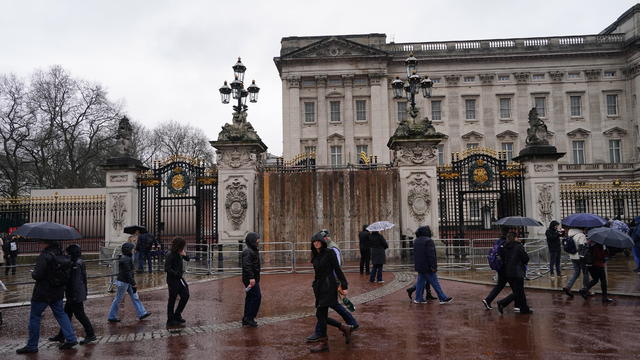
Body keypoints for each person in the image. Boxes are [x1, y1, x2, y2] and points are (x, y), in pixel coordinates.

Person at [16, 239, 78, 354]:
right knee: (61, 314)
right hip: (57, 292)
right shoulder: (62, 255)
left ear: (47, 243)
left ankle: (32, 345)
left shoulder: (44, 256)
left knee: (35, 317)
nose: (39, 243)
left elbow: (37, 275)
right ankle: (71, 338)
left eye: (41, 242)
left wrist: (33, 272)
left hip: (42, 293)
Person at [306, 229, 359, 338]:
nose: (316, 243)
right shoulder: (315, 256)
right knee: (324, 312)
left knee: (320, 314)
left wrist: (344, 285)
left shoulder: (330, 252)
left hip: (329, 285)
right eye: (314, 242)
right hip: (320, 287)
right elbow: (317, 273)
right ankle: (327, 334)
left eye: (318, 241)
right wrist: (315, 284)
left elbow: (337, 269)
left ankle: (337, 329)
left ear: (322, 241)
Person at [48, 244, 96, 345]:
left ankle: (91, 334)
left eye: (68, 252)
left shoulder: (76, 264)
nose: (66, 254)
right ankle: (62, 335)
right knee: (67, 315)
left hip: (75, 294)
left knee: (80, 315)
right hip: (74, 293)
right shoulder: (77, 262)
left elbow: (75, 281)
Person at [108, 242, 152, 322]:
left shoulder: (127, 258)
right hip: (124, 282)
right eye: (132, 249)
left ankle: (142, 313)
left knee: (135, 297)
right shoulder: (126, 259)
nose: (133, 250)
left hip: (126, 282)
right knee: (118, 299)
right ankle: (111, 316)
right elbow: (128, 273)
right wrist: (133, 283)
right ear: (128, 249)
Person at [412, 226, 453, 304]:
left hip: (420, 266)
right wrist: (433, 266)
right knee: (435, 282)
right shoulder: (429, 241)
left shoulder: (416, 241)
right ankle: (442, 298)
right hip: (427, 267)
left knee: (420, 283)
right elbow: (431, 256)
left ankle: (418, 298)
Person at [496, 232, 532, 314]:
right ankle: (502, 303)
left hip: (508, 272)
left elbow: (502, 258)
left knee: (520, 291)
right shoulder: (518, 246)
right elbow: (526, 258)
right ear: (515, 238)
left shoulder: (505, 247)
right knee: (518, 292)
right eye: (517, 237)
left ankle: (524, 309)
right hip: (518, 271)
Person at [165, 237, 190, 327]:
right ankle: (170, 319)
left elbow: (188, 259)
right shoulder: (170, 254)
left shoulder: (180, 253)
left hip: (179, 279)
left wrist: (184, 255)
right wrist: (176, 274)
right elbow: (167, 268)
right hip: (172, 280)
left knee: (186, 295)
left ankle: (177, 314)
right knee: (172, 298)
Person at [482, 229, 508, 310]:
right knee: (516, 288)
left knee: (500, 285)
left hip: (499, 266)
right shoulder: (505, 243)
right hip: (506, 268)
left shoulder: (497, 242)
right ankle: (516, 305)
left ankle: (488, 300)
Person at [562, 227, 589, 297]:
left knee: (576, 272)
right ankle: (585, 290)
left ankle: (568, 287)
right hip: (580, 257)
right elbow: (582, 247)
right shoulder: (581, 235)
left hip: (572, 256)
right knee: (585, 272)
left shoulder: (570, 234)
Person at [241, 232, 261, 327]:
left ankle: (246, 318)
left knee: (250, 298)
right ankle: (250, 318)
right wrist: (251, 278)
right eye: (257, 239)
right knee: (256, 297)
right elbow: (247, 266)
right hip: (251, 279)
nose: (258, 241)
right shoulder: (248, 251)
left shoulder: (252, 250)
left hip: (252, 278)